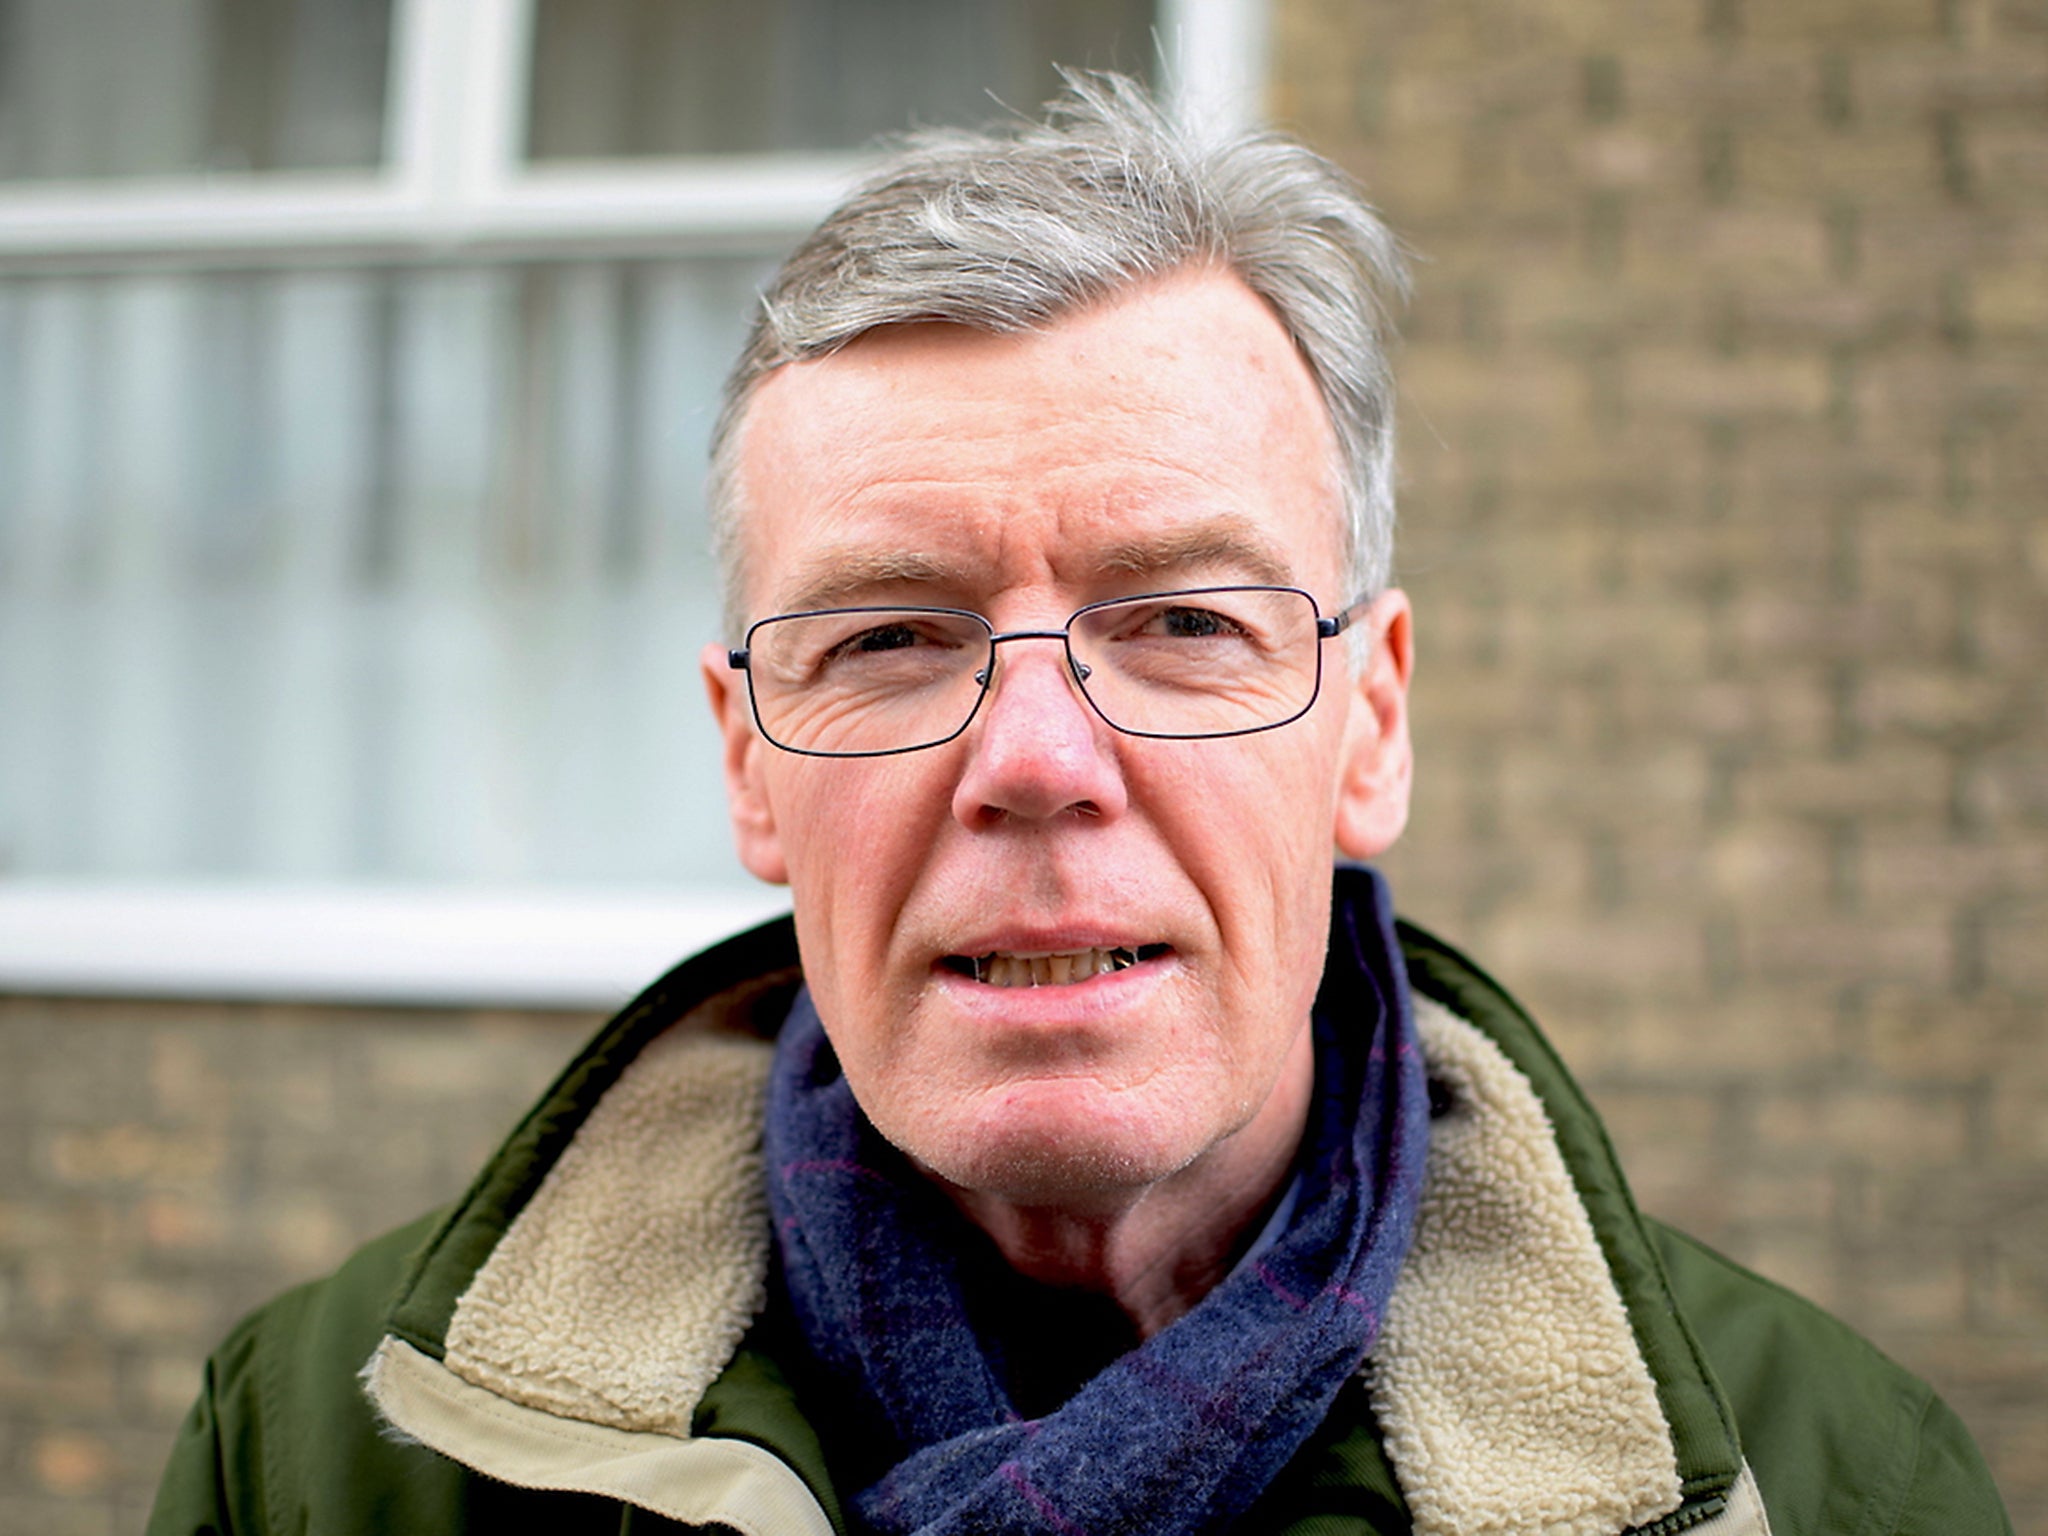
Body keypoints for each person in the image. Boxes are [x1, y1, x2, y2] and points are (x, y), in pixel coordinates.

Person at [149, 75, 2010, 1536]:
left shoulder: (1836, 1485)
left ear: (1370, 724)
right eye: (886, 636)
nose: (1036, 760)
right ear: (749, 763)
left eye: (1187, 621)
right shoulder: (321, 1456)